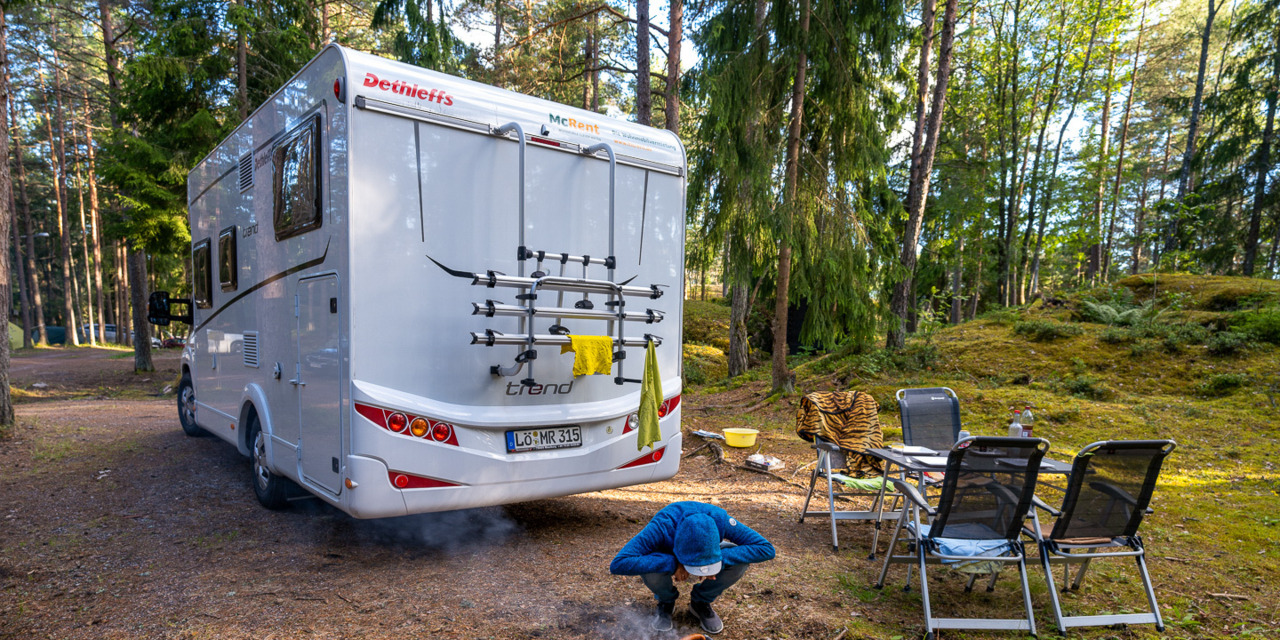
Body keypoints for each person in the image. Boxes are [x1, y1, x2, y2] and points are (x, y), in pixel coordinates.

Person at [609, 501, 776, 634]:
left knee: (739, 561)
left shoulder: (720, 519)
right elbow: (619, 563)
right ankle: (666, 601)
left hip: (709, 553)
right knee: (649, 565)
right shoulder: (662, 526)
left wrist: (715, 562)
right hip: (671, 555)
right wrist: (674, 564)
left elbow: (766, 548)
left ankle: (700, 602)